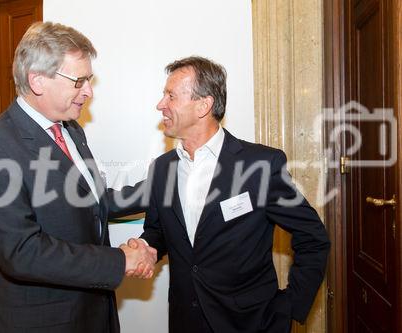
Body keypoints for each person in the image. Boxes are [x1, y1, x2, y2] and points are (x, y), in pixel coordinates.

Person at [0, 21, 155, 333]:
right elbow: (21, 251)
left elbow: (93, 201)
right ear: (38, 81)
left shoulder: (72, 130)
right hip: (42, 322)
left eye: (89, 80)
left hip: (94, 314)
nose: (89, 92)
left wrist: (160, 188)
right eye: (79, 81)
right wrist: (119, 261)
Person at [128, 56, 330, 333]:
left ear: (203, 105)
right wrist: (146, 248)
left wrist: (290, 306)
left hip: (249, 323)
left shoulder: (260, 165)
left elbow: (313, 237)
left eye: (170, 96)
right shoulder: (163, 169)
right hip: (186, 320)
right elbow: (158, 230)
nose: (160, 104)